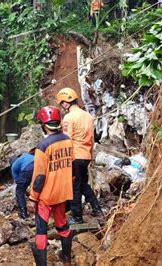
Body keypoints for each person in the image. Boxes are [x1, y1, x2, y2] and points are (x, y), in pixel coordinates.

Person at [27, 106, 74, 266]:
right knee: (62, 225)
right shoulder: (68, 140)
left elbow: (39, 176)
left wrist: (33, 198)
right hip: (63, 192)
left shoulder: (43, 146)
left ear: (43, 124)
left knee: (41, 229)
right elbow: (71, 166)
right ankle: (67, 261)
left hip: (46, 196)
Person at [57, 87, 103, 225]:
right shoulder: (88, 116)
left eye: (62, 104)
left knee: (74, 187)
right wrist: (91, 156)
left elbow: (67, 139)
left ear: (65, 103)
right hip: (86, 155)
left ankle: (77, 217)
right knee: (83, 184)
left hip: (74, 156)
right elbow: (92, 138)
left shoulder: (68, 118)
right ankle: (97, 209)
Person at [9, 150, 34, 219]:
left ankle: (24, 214)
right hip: (39, 164)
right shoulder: (24, 157)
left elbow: (18, 181)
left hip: (28, 168)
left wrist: (23, 190)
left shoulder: (13, 166)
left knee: (19, 191)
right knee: (38, 185)